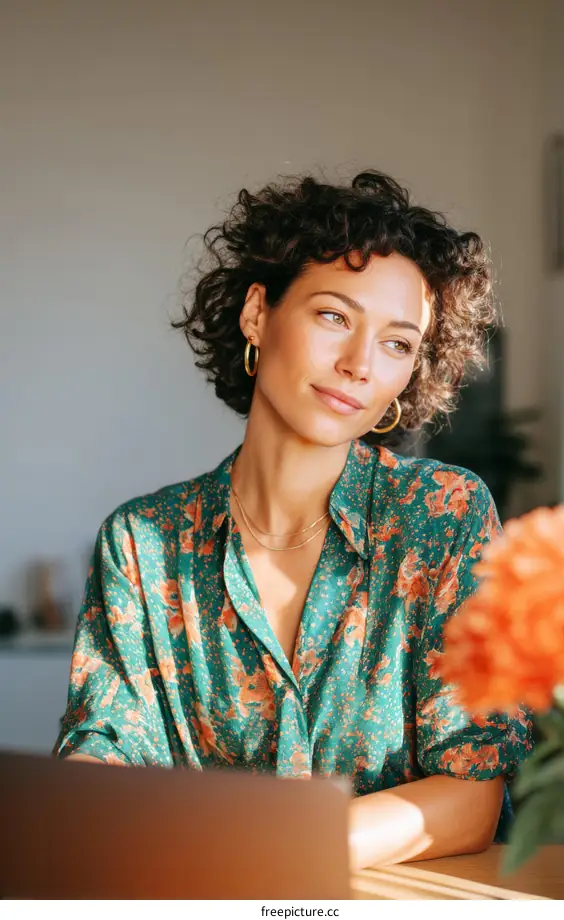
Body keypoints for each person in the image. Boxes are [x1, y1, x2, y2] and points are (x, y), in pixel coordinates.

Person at [54, 170, 532, 870]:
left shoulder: (444, 517)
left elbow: (471, 797)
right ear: (257, 314)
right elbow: (99, 775)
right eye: (334, 316)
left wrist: (257, 846)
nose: (357, 365)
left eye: (397, 344)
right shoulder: (142, 544)